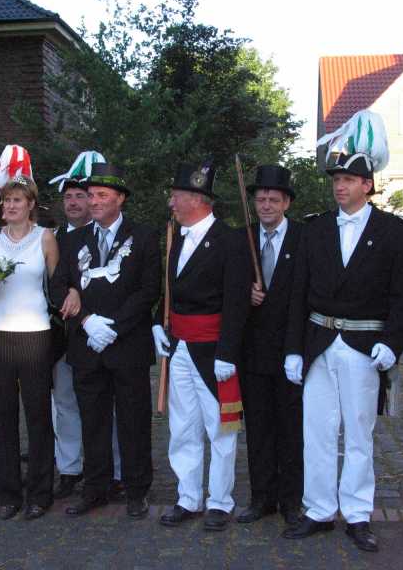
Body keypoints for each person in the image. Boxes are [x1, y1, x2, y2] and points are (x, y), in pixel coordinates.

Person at [282, 110, 403, 551]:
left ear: (368, 184)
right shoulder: (315, 229)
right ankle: (319, 509)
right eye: (336, 179)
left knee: (359, 434)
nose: (339, 186)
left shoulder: (394, 233)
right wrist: (294, 349)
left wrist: (393, 344)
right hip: (319, 341)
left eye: (348, 179)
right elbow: (298, 293)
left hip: (363, 344)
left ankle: (357, 514)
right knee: (317, 432)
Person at [49, 162, 160, 519]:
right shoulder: (72, 240)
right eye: (91, 195)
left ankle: (136, 489)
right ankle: (95, 488)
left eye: (101, 195)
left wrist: (113, 327)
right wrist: (86, 320)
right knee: (92, 422)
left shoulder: (143, 236)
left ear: (120, 198)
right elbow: (58, 286)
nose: (93, 201)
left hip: (127, 345)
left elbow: (148, 290)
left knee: (133, 421)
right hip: (86, 345)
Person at [152, 161, 251, 532]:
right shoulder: (176, 237)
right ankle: (188, 497)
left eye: (176, 196)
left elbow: (237, 302)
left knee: (222, 429)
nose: (171, 203)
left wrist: (228, 351)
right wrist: (157, 323)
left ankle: (220, 502)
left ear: (197, 199)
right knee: (183, 427)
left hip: (213, 351)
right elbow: (168, 288)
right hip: (179, 346)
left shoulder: (231, 240)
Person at [0, 148, 58, 521]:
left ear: (31, 205)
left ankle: (40, 492)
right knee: (3, 414)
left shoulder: (46, 238)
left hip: (35, 335)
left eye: (17, 200)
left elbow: (57, 286)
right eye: (6, 200)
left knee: (38, 415)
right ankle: (8, 493)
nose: (9, 206)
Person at [48, 151, 124, 501]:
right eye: (70, 197)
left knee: (106, 407)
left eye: (83, 195)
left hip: (101, 332)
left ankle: (114, 470)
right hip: (63, 333)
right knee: (65, 403)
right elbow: (54, 284)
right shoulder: (54, 237)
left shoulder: (113, 235)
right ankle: (70, 468)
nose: (76, 202)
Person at [237, 164, 304, 526]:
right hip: (253, 352)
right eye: (261, 199)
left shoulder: (304, 238)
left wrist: (297, 349)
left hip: (291, 350)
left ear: (286, 203)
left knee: (290, 428)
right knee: (259, 428)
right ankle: (261, 497)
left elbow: (307, 296)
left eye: (273, 200)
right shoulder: (242, 239)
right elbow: (227, 289)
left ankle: (291, 500)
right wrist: (244, 294)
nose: (265, 205)